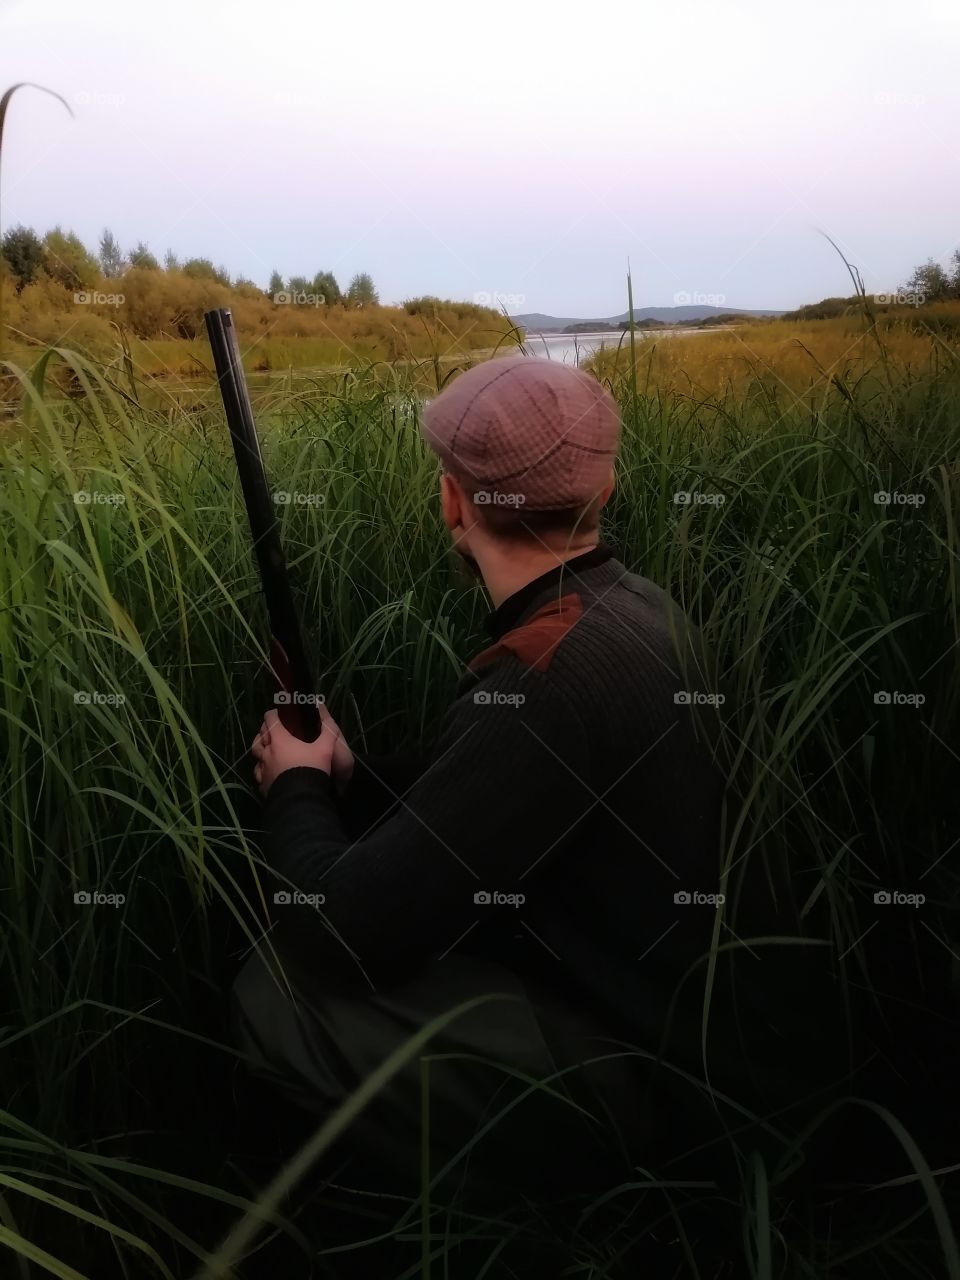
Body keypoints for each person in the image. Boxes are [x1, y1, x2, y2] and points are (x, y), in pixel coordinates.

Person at [232, 356, 727, 1198]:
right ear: (600, 498)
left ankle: (559, 1193)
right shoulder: (641, 608)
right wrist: (352, 775)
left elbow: (345, 932)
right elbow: (505, 800)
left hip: (651, 1073)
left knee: (273, 993)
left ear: (452, 502)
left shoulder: (542, 676)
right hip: (692, 1016)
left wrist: (297, 788)